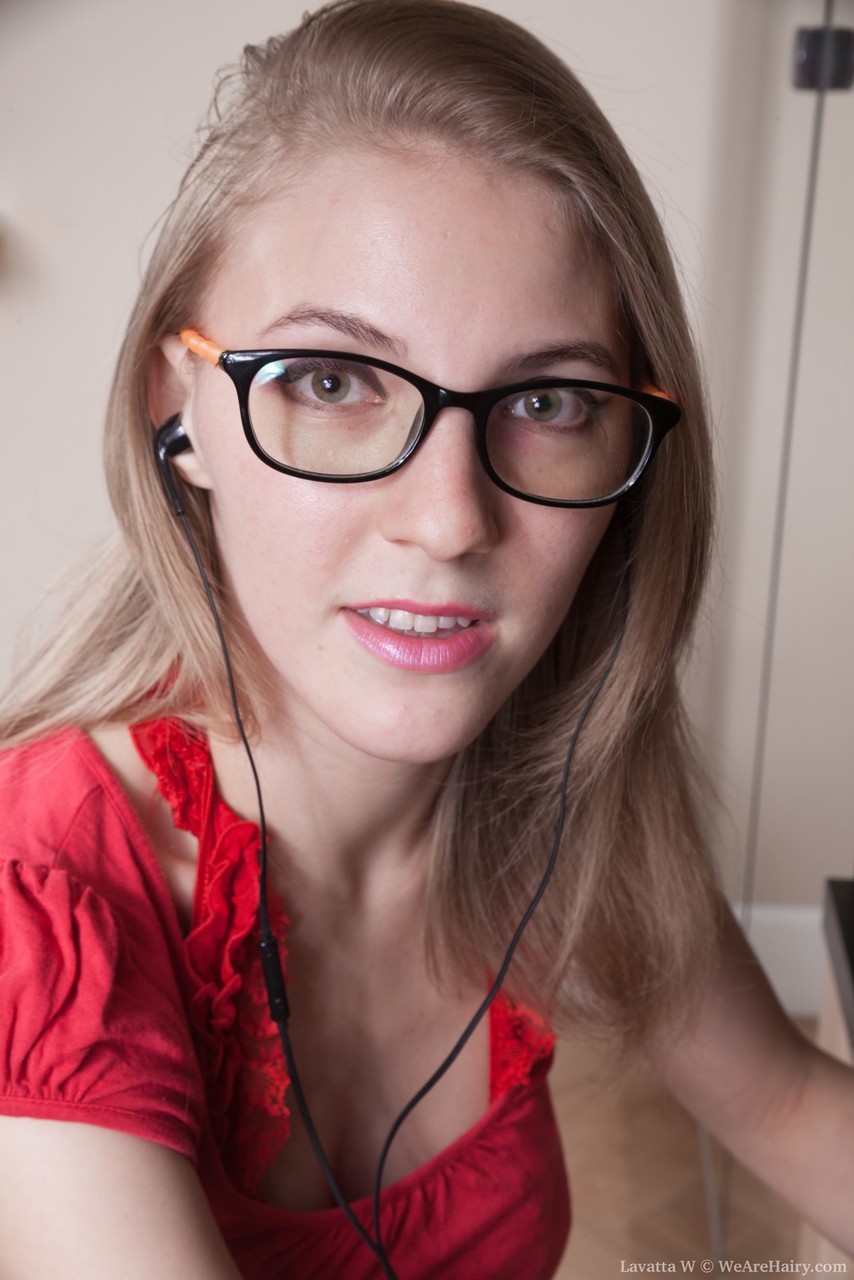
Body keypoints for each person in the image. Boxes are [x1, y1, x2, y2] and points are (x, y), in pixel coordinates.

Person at [0, 1, 851, 1277]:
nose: (450, 519)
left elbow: (787, 1105)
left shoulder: (556, 807)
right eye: (332, 381)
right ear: (180, 411)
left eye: (546, 399)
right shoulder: (40, 904)